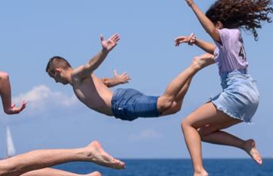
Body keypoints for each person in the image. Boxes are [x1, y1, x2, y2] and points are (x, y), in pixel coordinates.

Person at [175, 0, 273, 176]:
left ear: (219, 24)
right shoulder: (229, 43)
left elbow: (212, 32)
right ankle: (245, 145)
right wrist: (193, 42)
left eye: (213, 27)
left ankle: (198, 170)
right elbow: (214, 49)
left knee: (186, 124)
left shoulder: (230, 33)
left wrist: (193, 5)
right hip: (249, 97)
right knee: (202, 133)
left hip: (237, 93)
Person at [46, 33, 215, 121]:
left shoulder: (76, 76)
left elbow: (90, 65)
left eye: (53, 77)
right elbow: (102, 82)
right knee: (174, 107)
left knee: (165, 102)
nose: (55, 81)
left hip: (121, 104)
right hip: (122, 108)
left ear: (58, 71)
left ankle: (194, 66)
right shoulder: (80, 82)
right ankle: (196, 67)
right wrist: (116, 81)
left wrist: (104, 51)